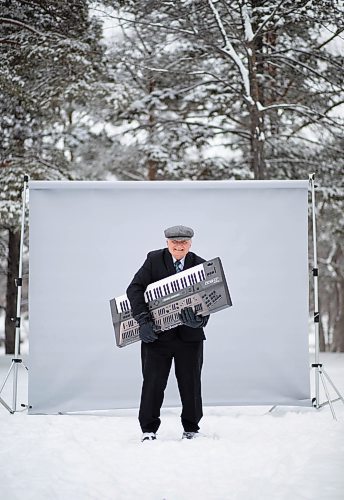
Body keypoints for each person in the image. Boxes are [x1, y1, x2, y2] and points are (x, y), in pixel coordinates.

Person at [126, 225, 209, 442]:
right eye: (175, 242)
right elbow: (134, 289)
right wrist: (143, 321)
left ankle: (191, 428)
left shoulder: (201, 265)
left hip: (189, 338)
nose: (179, 246)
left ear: (190, 244)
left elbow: (209, 298)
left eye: (183, 242)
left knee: (191, 384)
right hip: (157, 337)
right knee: (153, 383)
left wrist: (200, 320)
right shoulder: (154, 260)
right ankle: (148, 430)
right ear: (167, 243)